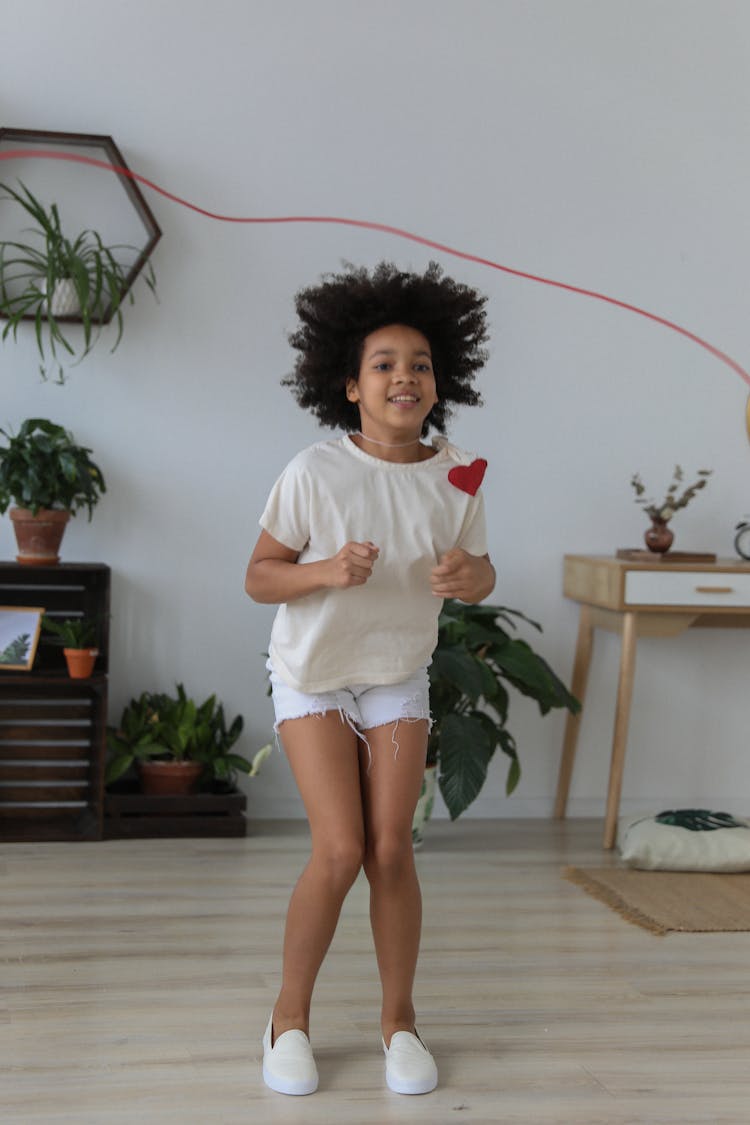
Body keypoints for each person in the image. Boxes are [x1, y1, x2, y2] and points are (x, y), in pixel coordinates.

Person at [245, 261, 495, 1097]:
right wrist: (323, 572)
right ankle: (287, 1019)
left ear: (438, 381)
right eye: (383, 363)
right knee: (342, 846)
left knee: (392, 849)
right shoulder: (315, 470)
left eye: (419, 362)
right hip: (313, 674)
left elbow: (483, 566)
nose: (404, 376)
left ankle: (400, 1023)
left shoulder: (457, 472)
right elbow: (260, 576)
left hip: (395, 672)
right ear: (349, 385)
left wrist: (472, 577)